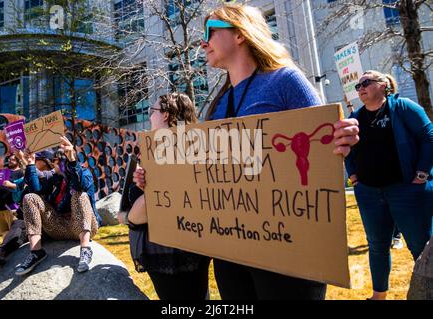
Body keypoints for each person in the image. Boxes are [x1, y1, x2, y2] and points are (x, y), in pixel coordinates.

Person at [135, 4, 360, 300]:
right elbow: (205, 173)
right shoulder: (218, 103)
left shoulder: (285, 81)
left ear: (240, 34)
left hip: (288, 253)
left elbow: (321, 142)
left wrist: (343, 137)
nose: (203, 43)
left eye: (209, 32)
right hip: (231, 254)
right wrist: (155, 178)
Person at [345, 70, 433, 300]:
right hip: (370, 194)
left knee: (421, 248)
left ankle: (427, 293)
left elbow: (429, 136)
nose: (360, 88)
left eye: (366, 82)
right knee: (377, 246)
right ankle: (378, 296)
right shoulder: (355, 117)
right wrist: (354, 178)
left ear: (383, 85)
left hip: (406, 190)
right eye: (358, 85)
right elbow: (348, 151)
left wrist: (422, 174)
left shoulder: (403, 107)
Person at [119, 92, 211, 300]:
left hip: (170, 254)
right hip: (186, 248)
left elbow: (153, 203)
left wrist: (126, 218)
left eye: (152, 111)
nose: (149, 116)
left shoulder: (172, 150)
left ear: (166, 115)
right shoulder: (183, 148)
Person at [13, 137, 102, 276]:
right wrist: (30, 163)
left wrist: (72, 161)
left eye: (59, 163)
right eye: (55, 163)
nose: (56, 167)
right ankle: (36, 252)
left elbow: (80, 185)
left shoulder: (83, 172)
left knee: (80, 195)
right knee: (30, 198)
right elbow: (36, 189)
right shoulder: (55, 177)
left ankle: (85, 249)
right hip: (59, 227)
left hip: (84, 224)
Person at [0, 151, 55, 271]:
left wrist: (26, 161)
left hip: (49, 218)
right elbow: (16, 185)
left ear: (46, 161)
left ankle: (33, 251)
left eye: (37, 158)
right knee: (18, 228)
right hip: (30, 219)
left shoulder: (51, 175)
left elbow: (36, 187)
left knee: (21, 220)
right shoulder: (27, 175)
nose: (34, 160)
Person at [0, 154, 24, 239]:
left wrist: (10, 185)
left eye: (12, 160)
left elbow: (22, 188)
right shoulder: (3, 171)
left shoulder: (21, 172)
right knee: (3, 231)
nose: (9, 161)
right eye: (9, 159)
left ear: (18, 161)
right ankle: (7, 248)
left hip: (11, 205)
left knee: (13, 231)